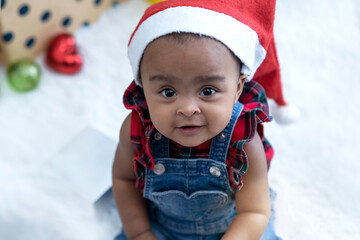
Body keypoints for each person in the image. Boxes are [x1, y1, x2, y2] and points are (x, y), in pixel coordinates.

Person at [112, 0, 282, 239]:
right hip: (160, 227)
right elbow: (123, 180)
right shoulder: (136, 129)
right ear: (143, 89)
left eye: (208, 91)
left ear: (237, 88)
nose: (188, 109)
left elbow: (254, 212)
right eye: (168, 92)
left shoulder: (243, 142)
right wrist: (140, 233)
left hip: (234, 228)